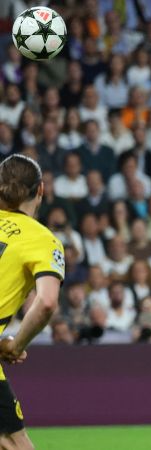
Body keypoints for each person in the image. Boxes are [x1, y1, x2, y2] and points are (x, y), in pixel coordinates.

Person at [0, 155, 65, 449]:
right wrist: (16, 345)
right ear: (40, 190)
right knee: (15, 445)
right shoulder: (41, 239)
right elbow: (47, 302)